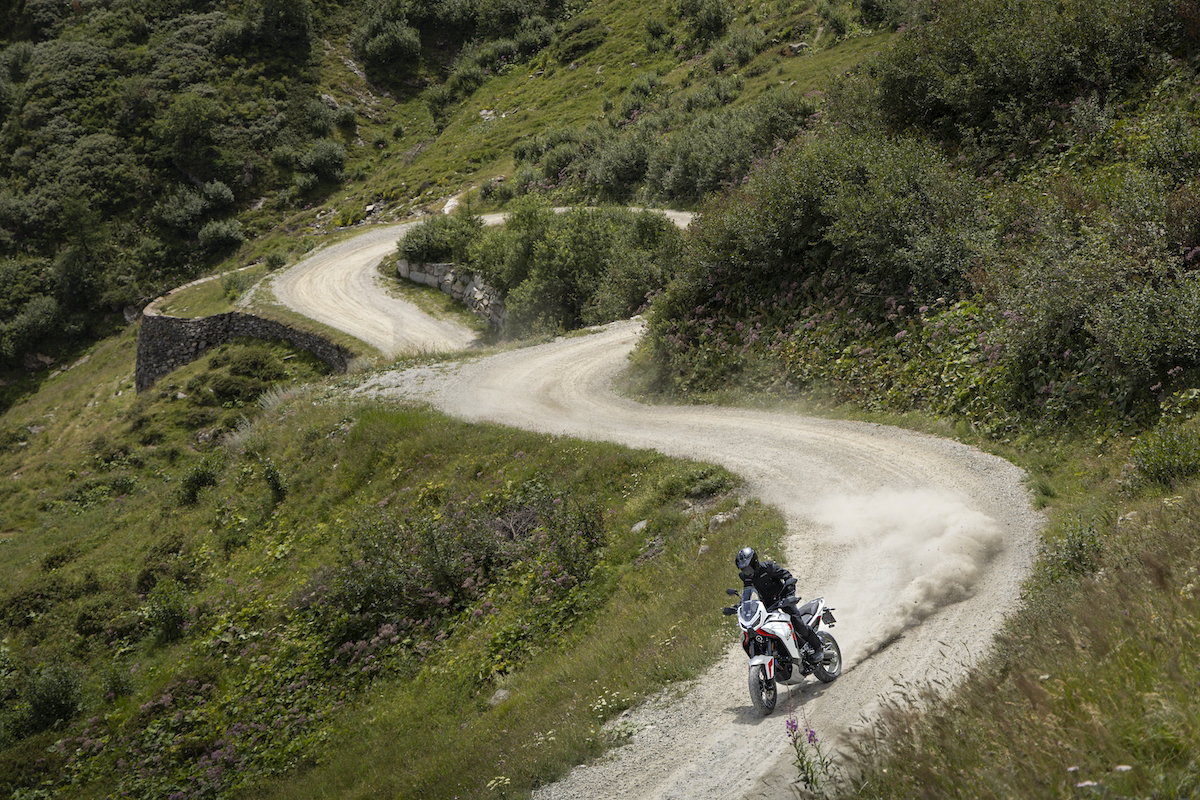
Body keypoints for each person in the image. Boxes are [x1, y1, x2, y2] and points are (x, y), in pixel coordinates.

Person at [735, 546, 827, 662]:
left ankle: (817, 647)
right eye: (744, 569)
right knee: (762, 628)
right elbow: (747, 592)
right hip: (767, 604)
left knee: (797, 624)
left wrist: (789, 594)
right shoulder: (745, 577)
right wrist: (741, 605)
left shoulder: (768, 567)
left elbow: (787, 576)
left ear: (755, 562)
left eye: (748, 568)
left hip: (783, 599)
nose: (747, 572)